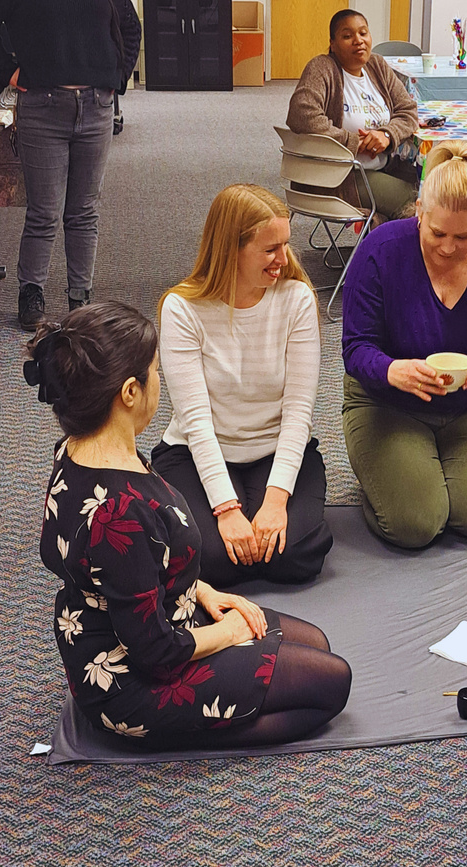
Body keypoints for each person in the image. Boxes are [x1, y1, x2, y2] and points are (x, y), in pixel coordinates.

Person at [26, 303, 350, 750]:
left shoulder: (81, 449)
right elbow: (155, 653)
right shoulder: (121, 510)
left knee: (317, 643)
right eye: (155, 372)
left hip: (142, 617)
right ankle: (196, 730)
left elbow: (135, 568)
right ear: (130, 393)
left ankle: (216, 709)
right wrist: (228, 634)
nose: (161, 382)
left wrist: (202, 590)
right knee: (332, 683)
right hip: (133, 679)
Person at [341, 140, 467, 549]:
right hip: (388, 401)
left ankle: (426, 470)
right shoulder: (379, 252)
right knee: (413, 526)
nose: (449, 247)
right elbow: (356, 348)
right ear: (419, 210)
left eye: (464, 236)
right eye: (437, 233)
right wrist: (391, 370)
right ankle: (385, 478)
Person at [152, 185, 333, 589]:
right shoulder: (181, 309)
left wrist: (275, 502)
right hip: (197, 450)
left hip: (275, 447)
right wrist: (226, 509)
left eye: (286, 245)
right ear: (231, 249)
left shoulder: (297, 298)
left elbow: (299, 411)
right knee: (214, 561)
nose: (283, 260)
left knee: (294, 555)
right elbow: (195, 421)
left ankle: (259, 517)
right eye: (270, 249)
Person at [0, 0, 142, 331]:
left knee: (84, 211)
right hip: (41, 108)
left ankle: (81, 296)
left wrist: (117, 76)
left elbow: (131, 27)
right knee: (44, 212)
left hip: (97, 106)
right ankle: (31, 293)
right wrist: (7, 72)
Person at [286, 9, 419, 221]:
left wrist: (386, 135)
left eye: (363, 33)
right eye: (347, 36)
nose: (358, 40)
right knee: (419, 200)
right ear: (333, 43)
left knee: (437, 185)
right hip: (339, 176)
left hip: (385, 166)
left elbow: (408, 110)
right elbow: (302, 114)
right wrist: (354, 142)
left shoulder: (377, 66)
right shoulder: (322, 68)